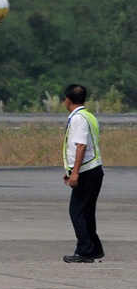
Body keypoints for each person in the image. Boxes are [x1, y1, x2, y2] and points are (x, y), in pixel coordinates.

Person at [62, 83, 103, 263]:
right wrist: (71, 171)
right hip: (92, 169)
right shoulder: (89, 116)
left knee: (76, 211)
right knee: (86, 211)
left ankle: (84, 251)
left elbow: (81, 146)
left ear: (68, 100)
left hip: (86, 171)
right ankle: (95, 248)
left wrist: (75, 173)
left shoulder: (78, 118)